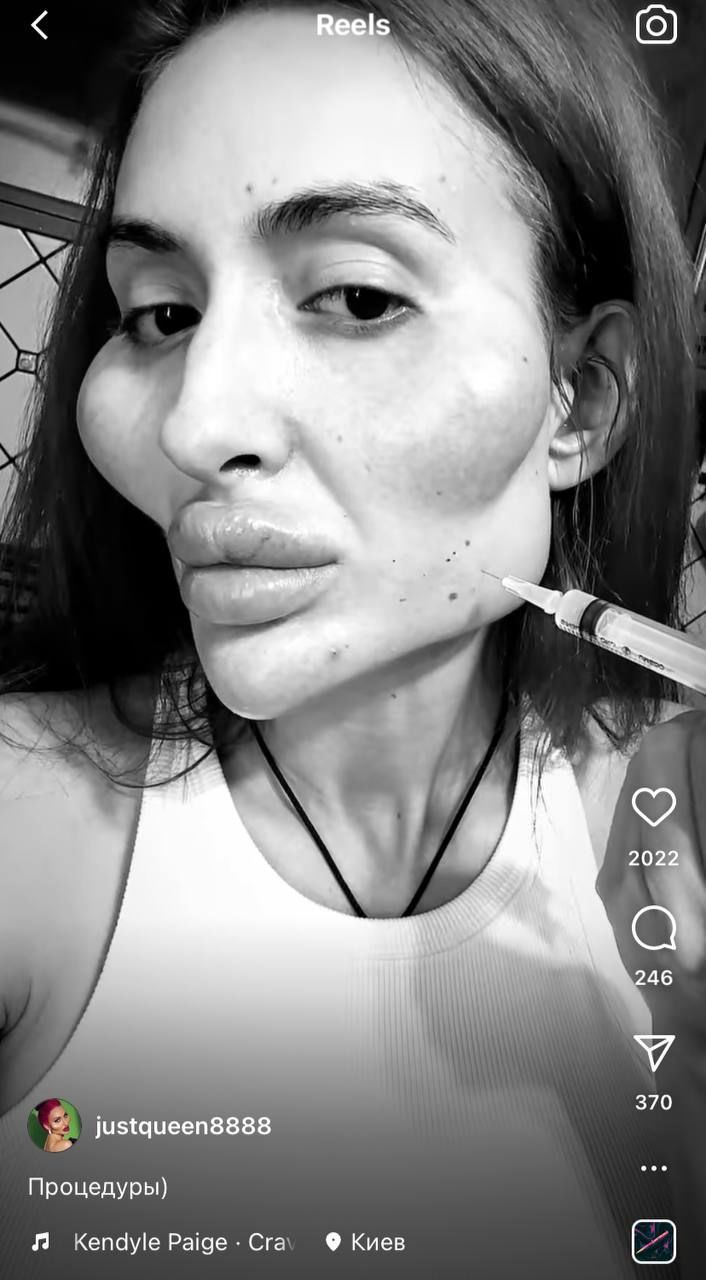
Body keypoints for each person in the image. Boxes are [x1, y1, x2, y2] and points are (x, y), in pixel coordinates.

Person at [0, 0, 703, 1276]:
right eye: (159, 313)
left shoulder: (669, 831)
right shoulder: (19, 820)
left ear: (581, 399)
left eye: (359, 296)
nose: (193, 424)